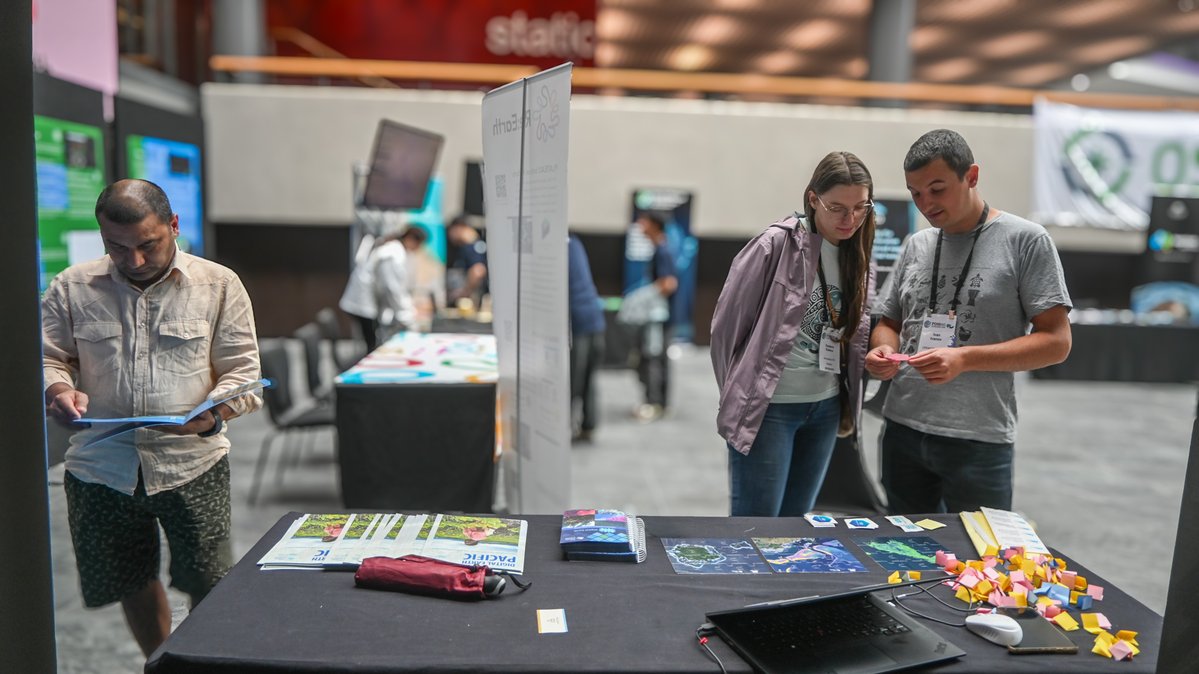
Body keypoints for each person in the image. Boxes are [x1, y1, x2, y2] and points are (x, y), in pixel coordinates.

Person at [42, 179, 262, 657]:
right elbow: (49, 357)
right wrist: (58, 388)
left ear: (173, 225)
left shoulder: (218, 284)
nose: (135, 260)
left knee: (210, 580)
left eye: (148, 244)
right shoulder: (72, 287)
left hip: (191, 462)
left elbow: (243, 375)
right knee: (128, 579)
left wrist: (212, 415)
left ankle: (204, 664)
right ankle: (159, 662)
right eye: (117, 248)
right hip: (101, 466)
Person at [865, 129, 1072, 514]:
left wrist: (964, 359)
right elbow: (889, 320)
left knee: (979, 564)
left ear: (972, 177)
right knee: (905, 559)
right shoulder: (918, 244)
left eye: (937, 189)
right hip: (903, 430)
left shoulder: (1025, 240)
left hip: (977, 439)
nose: (926, 203)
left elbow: (1057, 342)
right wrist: (884, 349)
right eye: (915, 193)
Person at [711, 151, 877, 517]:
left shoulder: (860, 254)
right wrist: (739, 393)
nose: (850, 219)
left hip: (826, 408)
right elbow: (725, 328)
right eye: (837, 208)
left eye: (860, 207)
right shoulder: (774, 245)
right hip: (770, 411)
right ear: (813, 198)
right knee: (754, 531)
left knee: (795, 531)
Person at [339, 226, 428, 352]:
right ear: (410, 239)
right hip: (363, 301)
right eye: (418, 245)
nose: (417, 249)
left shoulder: (394, 249)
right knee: (372, 345)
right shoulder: (392, 253)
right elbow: (390, 287)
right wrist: (405, 314)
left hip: (368, 301)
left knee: (372, 342)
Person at [634, 212, 678, 421]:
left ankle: (655, 403)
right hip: (661, 316)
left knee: (654, 359)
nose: (639, 225)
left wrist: (642, 298)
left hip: (659, 318)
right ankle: (660, 404)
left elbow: (669, 283)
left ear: (653, 224)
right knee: (658, 358)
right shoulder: (662, 248)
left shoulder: (663, 250)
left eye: (643, 221)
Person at [568, 234, 606, 442]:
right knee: (589, 377)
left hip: (578, 322)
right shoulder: (575, 242)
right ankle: (588, 425)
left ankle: (565, 426)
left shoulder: (557, 247)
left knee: (573, 378)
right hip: (594, 318)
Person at [445, 215, 488, 307]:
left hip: (473, 299)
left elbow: (478, 271)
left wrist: (464, 292)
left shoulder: (472, 246)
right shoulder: (466, 246)